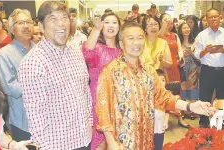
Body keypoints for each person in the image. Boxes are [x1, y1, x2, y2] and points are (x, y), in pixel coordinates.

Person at [96, 22, 217, 150]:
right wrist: (112, 143)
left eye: (140, 38)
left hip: (147, 141)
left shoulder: (148, 70)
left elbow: (164, 98)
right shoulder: (110, 72)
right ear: (121, 44)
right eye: (131, 38)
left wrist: (191, 106)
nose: (136, 42)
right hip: (121, 144)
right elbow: (103, 111)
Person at [18, 1, 92, 149]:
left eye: (64, 18)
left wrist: (89, 125)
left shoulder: (76, 53)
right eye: (53, 19)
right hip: (57, 145)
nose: (61, 24)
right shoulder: (33, 63)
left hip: (84, 139)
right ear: (40, 26)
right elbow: (35, 116)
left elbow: (86, 93)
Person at [82, 12, 122, 150]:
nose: (111, 25)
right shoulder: (97, 47)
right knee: (99, 142)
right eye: (107, 22)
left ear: (119, 27)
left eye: (114, 22)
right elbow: (87, 53)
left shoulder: (123, 50)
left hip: (119, 102)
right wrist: (96, 29)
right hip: (98, 102)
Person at [0, 8, 35, 142]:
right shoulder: (4, 55)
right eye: (21, 23)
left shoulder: (40, 50)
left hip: (48, 118)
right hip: (23, 123)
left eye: (29, 22)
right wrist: (39, 83)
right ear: (11, 29)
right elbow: (10, 87)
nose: (26, 26)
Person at [194, 8, 224, 128]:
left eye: (216, 16)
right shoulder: (201, 35)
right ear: (206, 20)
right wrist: (206, 50)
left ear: (220, 18)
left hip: (223, 71)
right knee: (204, 98)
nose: (213, 19)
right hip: (207, 71)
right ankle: (203, 124)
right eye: (210, 17)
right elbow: (197, 55)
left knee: (223, 98)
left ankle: (222, 125)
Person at [141, 15, 173, 150]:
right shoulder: (140, 41)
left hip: (158, 83)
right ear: (144, 28)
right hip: (142, 83)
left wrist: (162, 61)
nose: (153, 27)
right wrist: (150, 63)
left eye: (155, 24)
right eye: (150, 24)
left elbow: (170, 64)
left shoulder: (163, 43)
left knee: (158, 116)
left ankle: (157, 144)